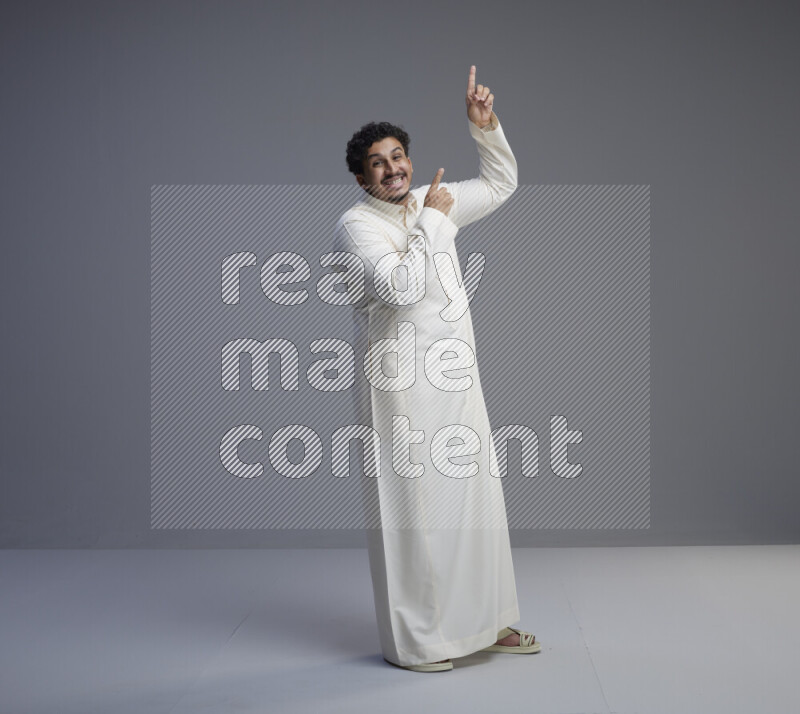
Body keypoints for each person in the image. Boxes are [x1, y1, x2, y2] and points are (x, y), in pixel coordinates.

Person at [333, 66, 540, 672]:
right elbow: (400, 289)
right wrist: (433, 221)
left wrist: (486, 128)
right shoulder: (356, 226)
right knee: (417, 513)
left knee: (476, 502)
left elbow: (502, 185)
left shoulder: (432, 200)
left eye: (399, 155)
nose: (394, 167)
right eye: (379, 162)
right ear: (360, 176)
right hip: (400, 388)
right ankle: (421, 643)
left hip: (455, 377)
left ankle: (486, 622)